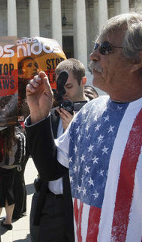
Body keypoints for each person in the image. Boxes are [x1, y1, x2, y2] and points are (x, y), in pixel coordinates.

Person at [25, 13, 142, 241]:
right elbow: (52, 169)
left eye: (104, 48)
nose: (92, 55)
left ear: (138, 60)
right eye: (95, 46)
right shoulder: (88, 112)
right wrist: (38, 115)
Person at [31, 58, 89, 242]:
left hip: (81, 205)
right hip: (51, 205)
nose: (64, 93)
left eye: (69, 86)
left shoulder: (95, 115)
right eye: (60, 87)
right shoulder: (53, 115)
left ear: (83, 82)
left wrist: (74, 132)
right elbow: (41, 159)